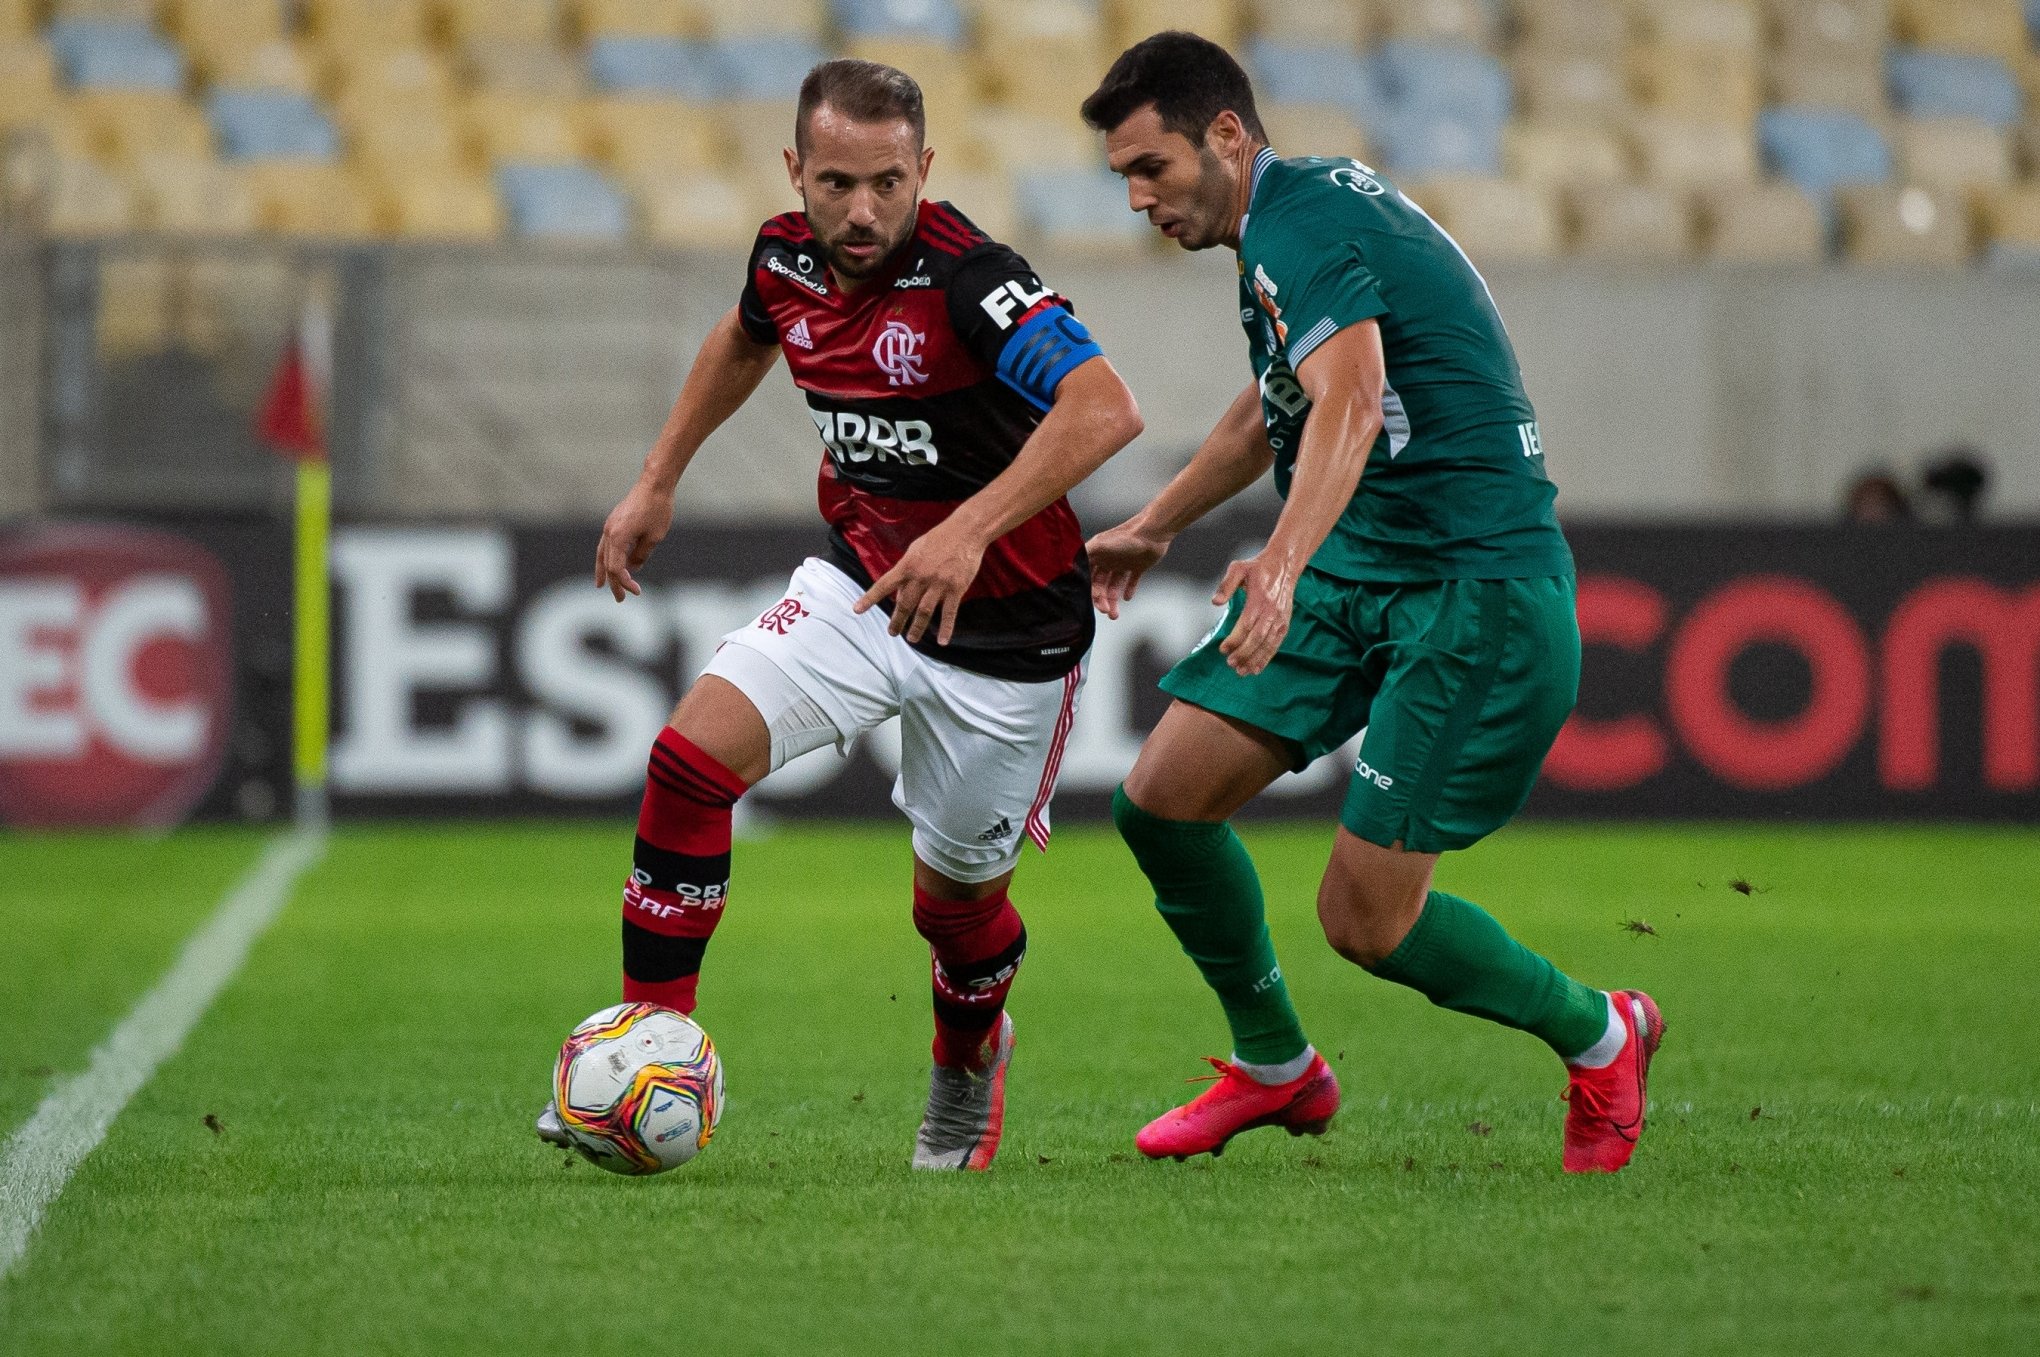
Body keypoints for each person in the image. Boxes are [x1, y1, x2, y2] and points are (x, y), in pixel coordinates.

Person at [538, 58, 1143, 1171]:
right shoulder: (783, 256)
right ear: (794, 173)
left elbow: (1106, 408)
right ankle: (640, 1043)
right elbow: (742, 336)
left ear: (924, 170)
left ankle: (967, 1063)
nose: (861, 212)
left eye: (886, 184)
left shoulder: (973, 282)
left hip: (1009, 637)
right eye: (834, 183)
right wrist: (659, 475)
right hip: (861, 587)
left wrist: (968, 530)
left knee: (955, 915)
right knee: (686, 763)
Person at [1078, 32, 1661, 1172]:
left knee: (1366, 920)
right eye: (1124, 178)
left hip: (1471, 586)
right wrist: (1160, 522)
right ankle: (1276, 1067)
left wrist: (1282, 563)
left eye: (1152, 168)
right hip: (1368, 561)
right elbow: (1278, 402)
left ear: (1229, 137)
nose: (1139, 199)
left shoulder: (1300, 226)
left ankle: (1602, 1033)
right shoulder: (1288, 220)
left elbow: (1351, 399)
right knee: (1161, 801)